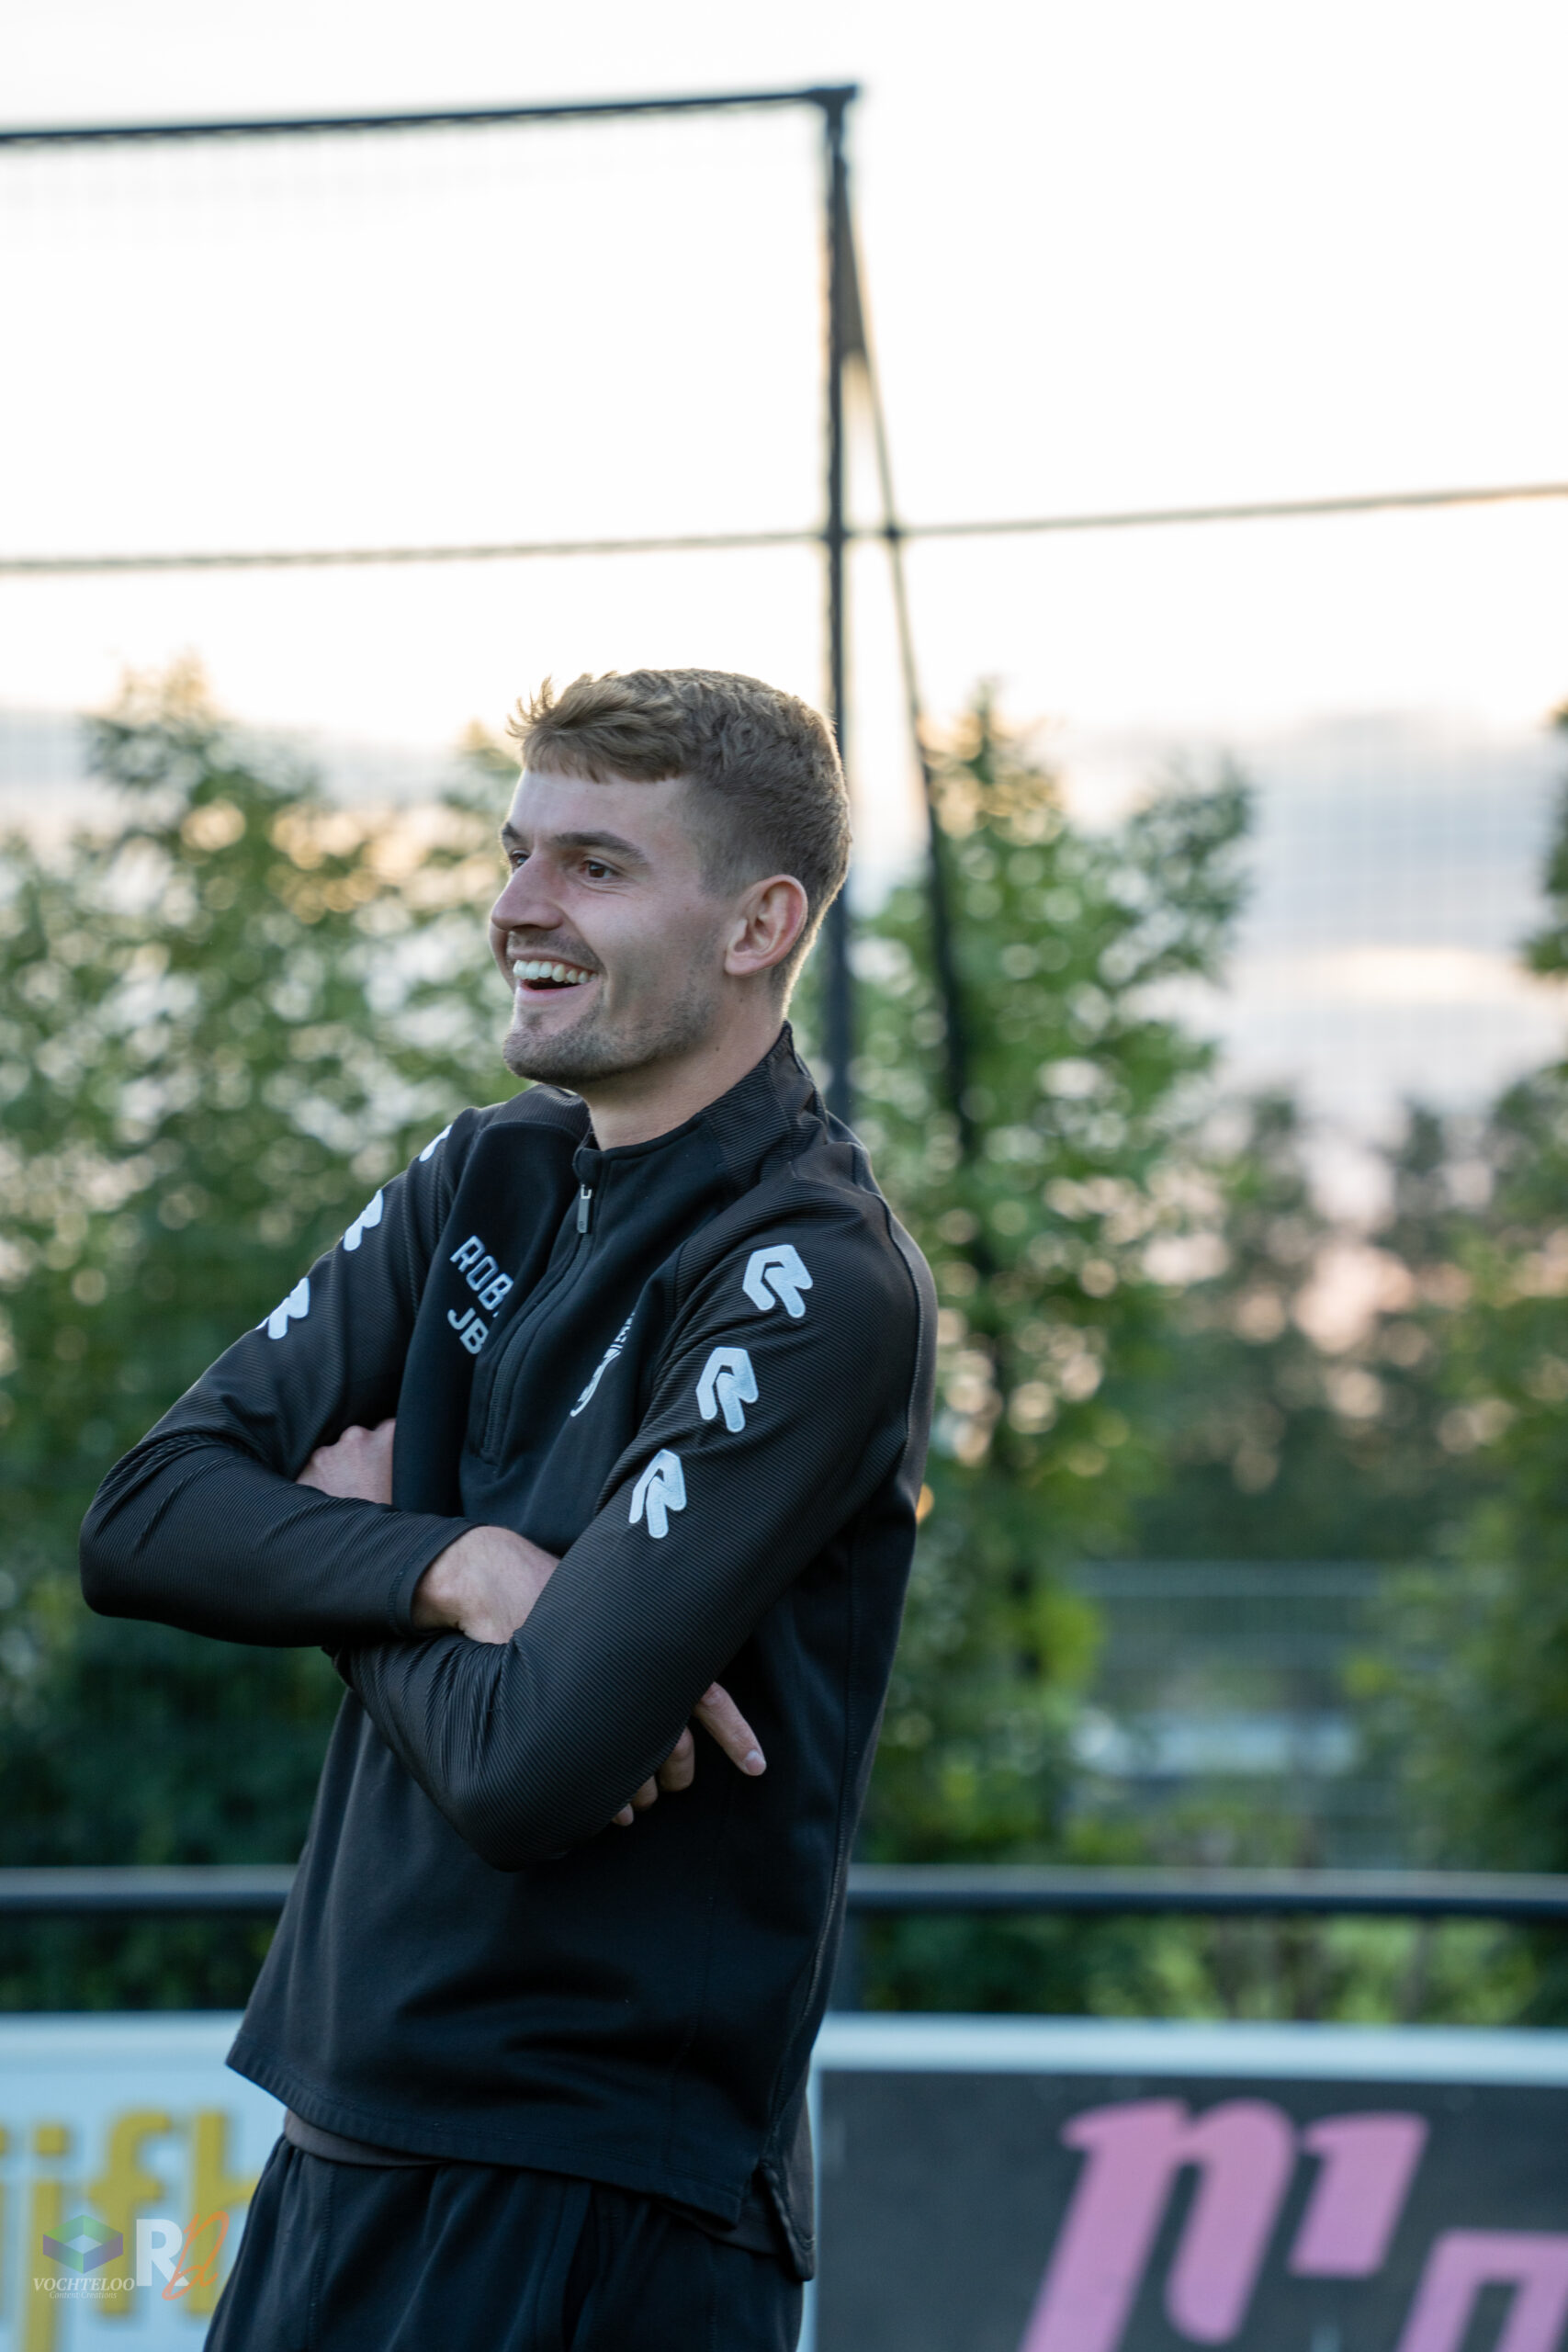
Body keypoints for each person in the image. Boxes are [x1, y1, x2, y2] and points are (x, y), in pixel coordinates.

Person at [81, 666, 936, 2351]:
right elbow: (146, 1516)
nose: (518, 907)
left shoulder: (811, 1278)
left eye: (596, 866)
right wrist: (451, 1563)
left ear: (761, 924)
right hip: (341, 2140)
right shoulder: (488, 1173)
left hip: (592, 2199)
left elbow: (529, 1771)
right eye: (517, 851)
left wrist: (348, 1555)